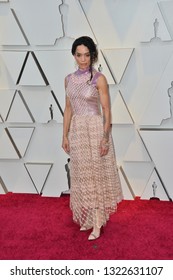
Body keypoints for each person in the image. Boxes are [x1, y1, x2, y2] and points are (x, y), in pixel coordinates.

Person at [62, 36, 123, 240]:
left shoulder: (99, 78)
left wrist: (105, 138)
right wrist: (65, 135)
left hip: (95, 129)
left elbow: (106, 110)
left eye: (87, 55)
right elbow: (68, 109)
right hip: (78, 131)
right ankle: (88, 219)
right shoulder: (68, 79)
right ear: (74, 55)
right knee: (82, 175)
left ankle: (97, 222)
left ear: (92, 55)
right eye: (79, 55)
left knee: (96, 176)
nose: (83, 59)